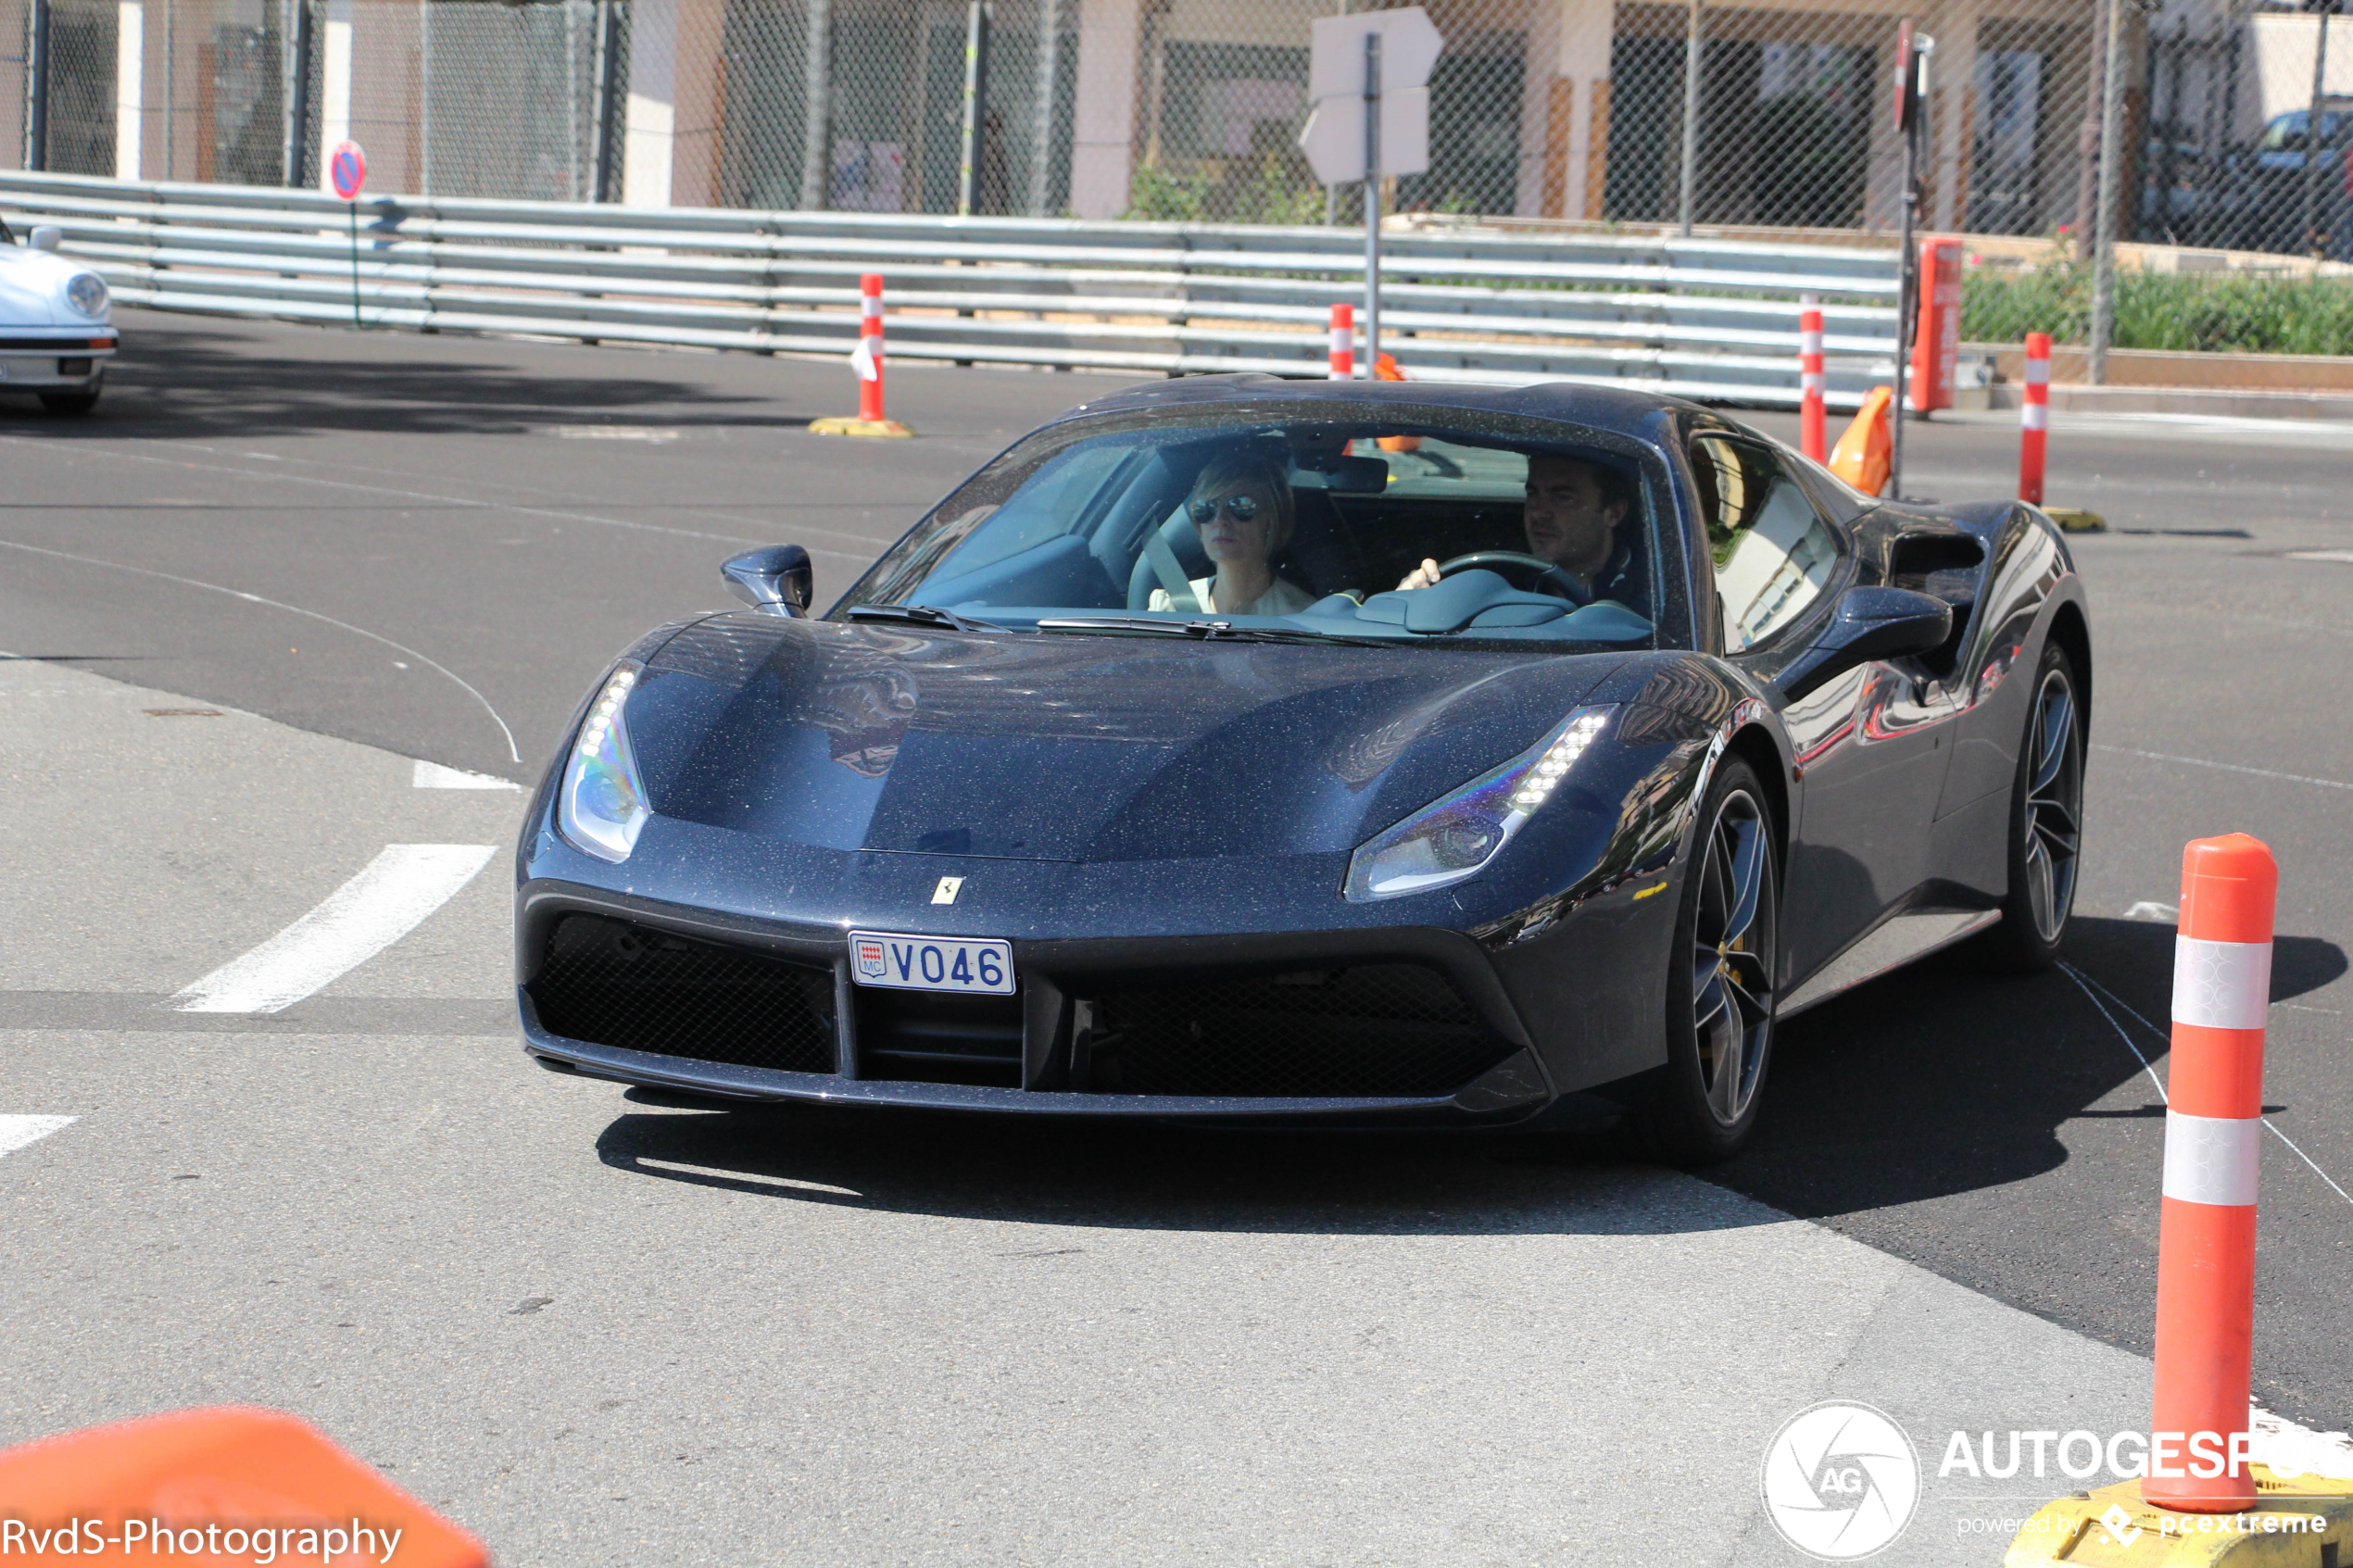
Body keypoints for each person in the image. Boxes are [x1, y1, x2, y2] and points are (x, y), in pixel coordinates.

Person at [1397, 452, 1639, 603]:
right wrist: (1409, 598)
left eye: (1563, 497)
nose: (1539, 512)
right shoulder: (1496, 578)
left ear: (1614, 513)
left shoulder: (1653, 596)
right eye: (1533, 495)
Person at [1149, 449, 1318, 617]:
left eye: (1240, 505)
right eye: (1206, 508)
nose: (1220, 519)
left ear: (1272, 520)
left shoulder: (1302, 617)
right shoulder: (1167, 606)